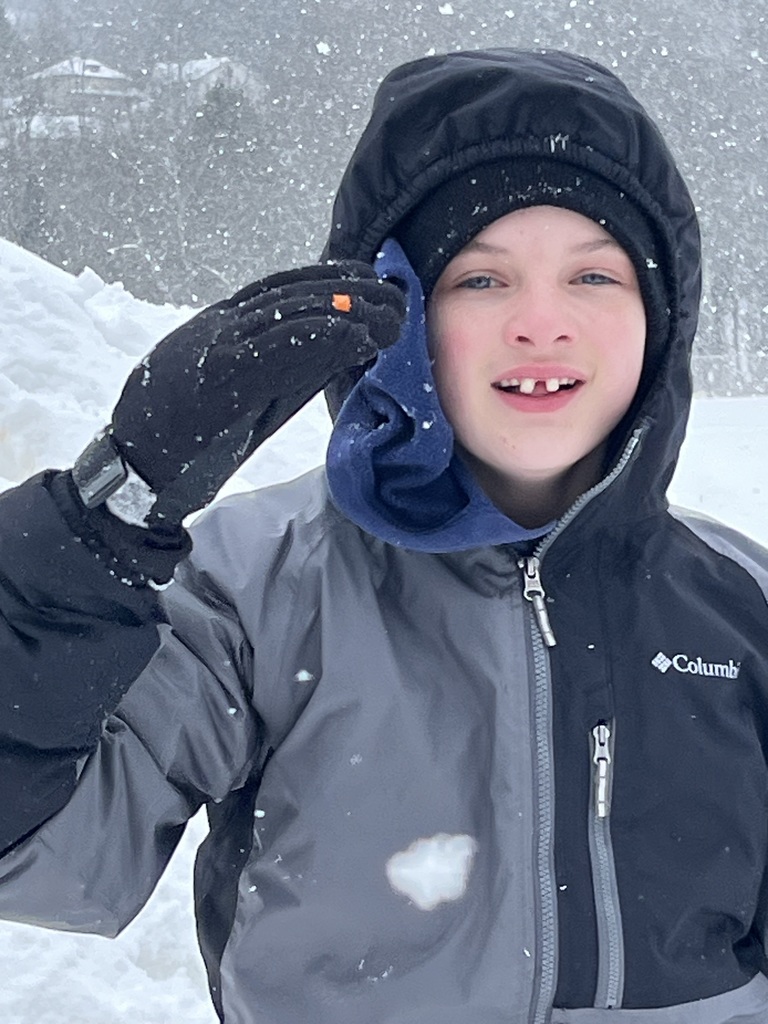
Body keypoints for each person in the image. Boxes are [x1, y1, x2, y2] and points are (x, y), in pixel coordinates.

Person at [1, 46, 768, 1023]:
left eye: (593, 276)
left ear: (662, 316)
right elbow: (37, 852)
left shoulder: (742, 606)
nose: (541, 321)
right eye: (482, 280)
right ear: (399, 315)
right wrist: (98, 515)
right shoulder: (257, 585)